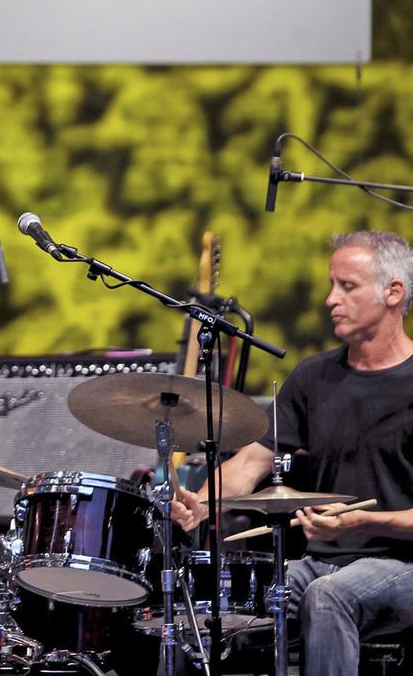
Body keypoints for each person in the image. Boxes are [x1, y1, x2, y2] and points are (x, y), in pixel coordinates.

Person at [172, 230, 413, 676]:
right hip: (320, 561)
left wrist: (363, 520)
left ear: (393, 292)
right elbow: (249, 463)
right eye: (331, 285)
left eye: (347, 286)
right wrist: (200, 504)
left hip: (402, 565)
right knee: (214, 611)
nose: (330, 299)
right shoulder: (313, 376)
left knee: (329, 596)